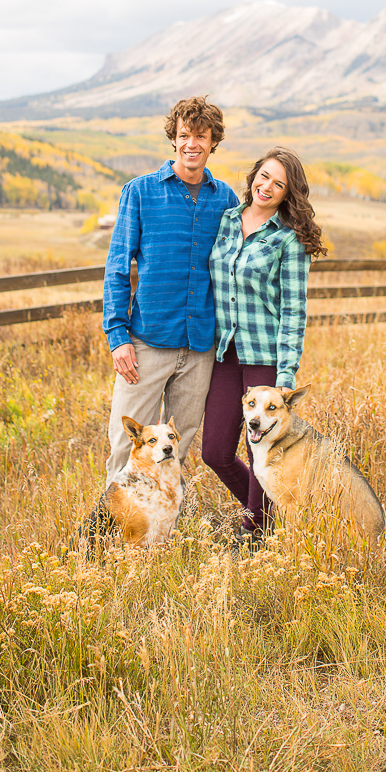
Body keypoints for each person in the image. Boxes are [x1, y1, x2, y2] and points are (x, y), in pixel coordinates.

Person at [99, 95, 238, 492]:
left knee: (176, 450)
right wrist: (118, 338)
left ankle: (159, 536)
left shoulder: (224, 199)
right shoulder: (140, 192)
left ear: (213, 142)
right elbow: (117, 267)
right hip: (146, 343)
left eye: (201, 136)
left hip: (199, 350)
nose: (192, 144)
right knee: (126, 450)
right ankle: (113, 539)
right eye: (184, 135)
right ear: (173, 140)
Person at [202, 146, 327, 545]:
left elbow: (294, 310)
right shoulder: (226, 221)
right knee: (215, 451)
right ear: (253, 175)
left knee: (262, 453)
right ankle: (270, 519)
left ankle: (254, 534)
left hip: (266, 361)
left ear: (288, 193)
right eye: (264, 176)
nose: (267, 186)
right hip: (224, 353)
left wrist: (286, 374)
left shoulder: (288, 240)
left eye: (279, 183)